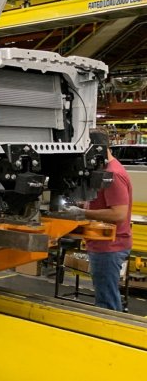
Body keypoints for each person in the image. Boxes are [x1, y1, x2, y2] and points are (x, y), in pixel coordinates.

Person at [65, 129, 133, 311]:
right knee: (106, 296)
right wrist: (83, 204)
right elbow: (104, 202)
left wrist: (82, 212)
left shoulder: (113, 174)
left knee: (106, 302)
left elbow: (118, 214)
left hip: (110, 246)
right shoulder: (103, 171)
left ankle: (112, 328)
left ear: (96, 149)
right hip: (102, 244)